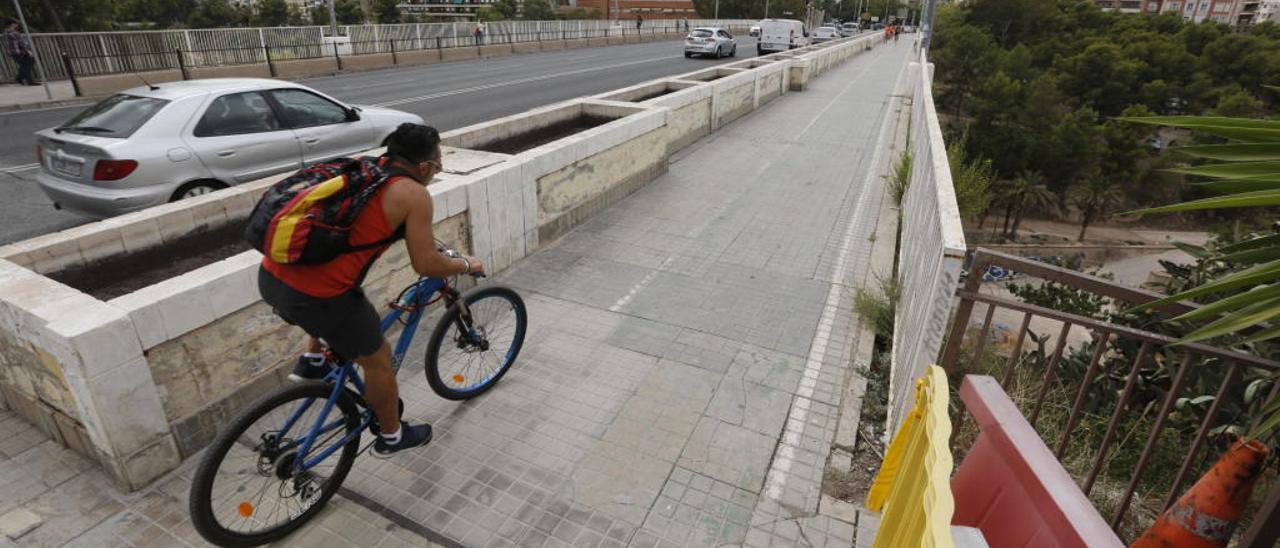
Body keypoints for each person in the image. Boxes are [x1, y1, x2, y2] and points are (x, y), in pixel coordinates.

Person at [258, 123, 485, 455]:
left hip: (272, 278)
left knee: (345, 296)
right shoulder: (413, 194)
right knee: (378, 360)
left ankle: (313, 359)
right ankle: (392, 436)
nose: (436, 173)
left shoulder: (365, 169)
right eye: (437, 167)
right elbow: (426, 265)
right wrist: (466, 264)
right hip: (317, 297)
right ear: (423, 166)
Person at [5, 20, 35, 86]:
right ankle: (27, 80)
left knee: (24, 65)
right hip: (19, 52)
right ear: (12, 24)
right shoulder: (14, 33)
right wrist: (28, 51)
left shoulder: (7, 33)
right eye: (15, 23)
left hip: (13, 52)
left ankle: (20, 78)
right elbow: (21, 43)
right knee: (28, 63)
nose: (17, 25)